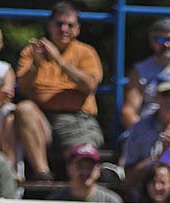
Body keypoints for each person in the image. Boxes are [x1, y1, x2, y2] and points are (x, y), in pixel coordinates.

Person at [14, 1, 104, 180]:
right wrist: (36, 65)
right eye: (59, 24)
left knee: (83, 158)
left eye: (70, 25)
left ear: (77, 29)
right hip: (42, 120)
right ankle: (43, 175)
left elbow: (89, 86)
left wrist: (59, 61)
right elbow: (23, 89)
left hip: (77, 121)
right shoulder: (32, 51)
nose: (64, 29)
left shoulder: (86, 52)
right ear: (49, 25)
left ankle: (102, 175)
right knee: (24, 108)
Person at [0, 26, 17, 169]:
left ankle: (11, 168)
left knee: (10, 113)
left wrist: (3, 95)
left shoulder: (5, 68)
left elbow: (7, 94)